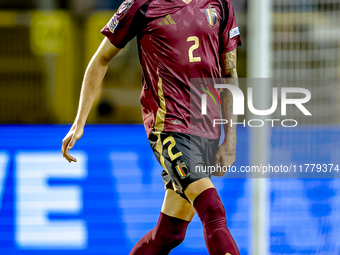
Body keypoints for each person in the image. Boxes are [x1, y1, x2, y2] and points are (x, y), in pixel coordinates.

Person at [61, 0, 242, 253]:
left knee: (170, 233)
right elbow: (101, 59)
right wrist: (79, 121)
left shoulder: (220, 4)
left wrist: (230, 138)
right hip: (169, 126)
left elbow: (229, 71)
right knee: (212, 210)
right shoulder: (141, 5)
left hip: (206, 129)